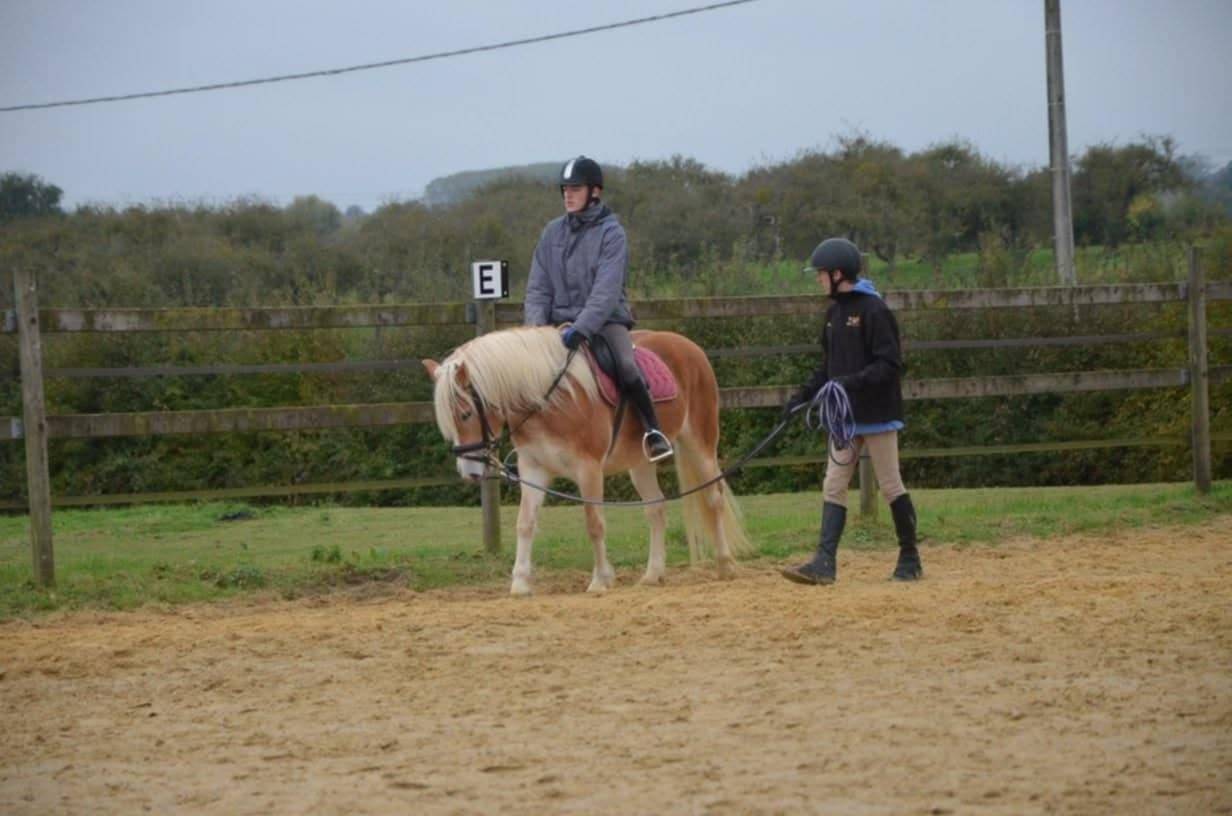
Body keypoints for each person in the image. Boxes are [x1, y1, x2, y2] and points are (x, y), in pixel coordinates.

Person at [780, 237, 922, 584]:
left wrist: (849, 383)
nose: (817, 280)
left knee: (890, 483)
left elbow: (889, 364)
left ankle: (910, 557)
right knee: (833, 484)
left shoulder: (874, 311)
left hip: (876, 413)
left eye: (820, 274)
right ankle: (824, 562)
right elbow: (827, 367)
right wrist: (801, 396)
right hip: (844, 418)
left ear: (838, 273)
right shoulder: (833, 314)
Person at [523, 155, 673, 462]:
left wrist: (581, 328)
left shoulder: (612, 233)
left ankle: (653, 431)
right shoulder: (551, 233)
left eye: (575, 188)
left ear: (595, 192)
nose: (568, 194)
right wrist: (537, 330)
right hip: (556, 326)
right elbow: (537, 288)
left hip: (605, 322)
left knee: (626, 366)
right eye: (565, 188)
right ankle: (527, 444)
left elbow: (605, 293)